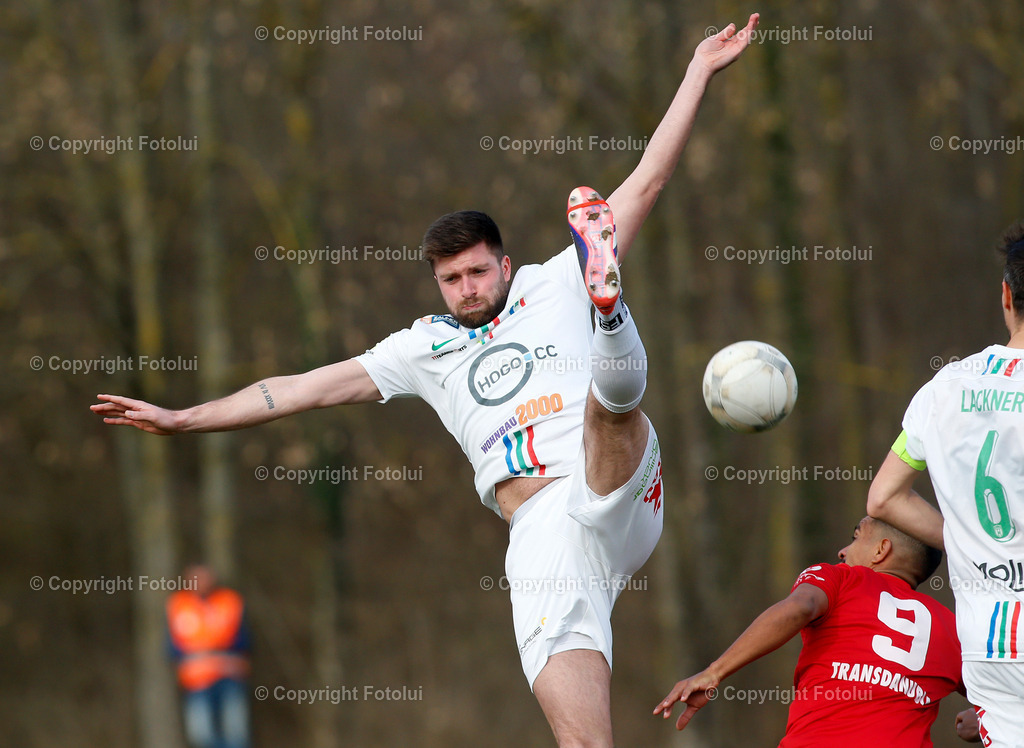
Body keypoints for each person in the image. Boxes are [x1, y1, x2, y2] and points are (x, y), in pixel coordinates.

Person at [91, 15, 760, 746]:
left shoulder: (552, 282)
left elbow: (651, 178)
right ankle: (613, 326)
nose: (468, 288)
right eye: (452, 279)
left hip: (614, 481)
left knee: (611, 407)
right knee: (581, 740)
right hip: (544, 541)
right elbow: (302, 387)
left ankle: (610, 312)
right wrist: (188, 418)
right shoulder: (422, 347)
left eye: (479, 271)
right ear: (437, 284)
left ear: (505, 266)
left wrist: (697, 71)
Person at [866, 221, 1024, 748]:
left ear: (1006, 294)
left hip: (987, 641)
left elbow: (884, 497)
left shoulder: (947, 386)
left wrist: (966, 538)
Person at [653, 517, 964, 746]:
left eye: (856, 538)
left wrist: (715, 671)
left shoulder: (841, 579)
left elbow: (799, 608)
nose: (843, 551)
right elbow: (1006, 693)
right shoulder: (953, 627)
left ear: (881, 550)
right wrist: (983, 718)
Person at [167, 565, 251, 748]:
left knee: (236, 734)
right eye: (195, 579)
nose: (200, 583)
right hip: (196, 679)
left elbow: (244, 640)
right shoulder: (179, 604)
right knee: (202, 735)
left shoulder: (229, 601)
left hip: (229, 675)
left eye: (204, 578)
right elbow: (172, 646)